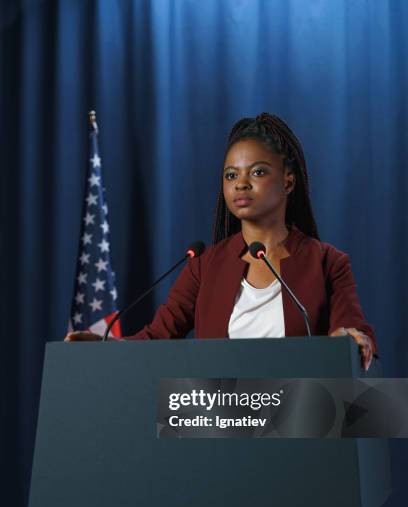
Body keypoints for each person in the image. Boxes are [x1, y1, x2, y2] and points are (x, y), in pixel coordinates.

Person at [65, 112, 376, 370]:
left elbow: (351, 330)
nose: (240, 183)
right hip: (220, 423)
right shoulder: (204, 266)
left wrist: (352, 339)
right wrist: (104, 346)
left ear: (288, 180)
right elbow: (156, 339)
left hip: (302, 420)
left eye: (257, 172)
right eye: (231, 175)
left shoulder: (327, 263)